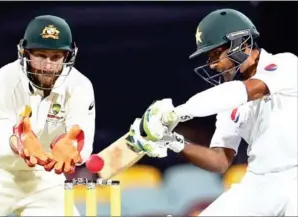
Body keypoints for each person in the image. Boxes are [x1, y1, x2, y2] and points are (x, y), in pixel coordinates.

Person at [126, 8, 297, 216]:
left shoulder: (285, 64)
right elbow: (220, 161)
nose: (213, 65)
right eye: (210, 57)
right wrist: (172, 141)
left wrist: (177, 113)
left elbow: (250, 90)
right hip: (259, 180)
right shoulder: (228, 99)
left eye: (216, 54)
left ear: (241, 44)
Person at [0, 15, 96, 216]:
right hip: (1, 173)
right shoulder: (3, 79)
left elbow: (83, 144)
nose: (48, 66)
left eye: (55, 57)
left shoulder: (80, 86)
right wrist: (19, 143)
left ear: (67, 56)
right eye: (41, 55)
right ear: (25, 53)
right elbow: (0, 130)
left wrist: (71, 146)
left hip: (45, 179)